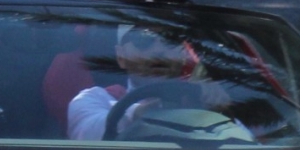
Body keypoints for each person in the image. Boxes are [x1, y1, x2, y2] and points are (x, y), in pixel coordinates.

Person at [67, 24, 207, 140]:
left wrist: (215, 100)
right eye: (143, 40)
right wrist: (140, 112)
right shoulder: (95, 99)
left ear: (183, 53)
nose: (159, 50)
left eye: (169, 40)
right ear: (121, 56)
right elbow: (87, 135)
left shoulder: (209, 96)